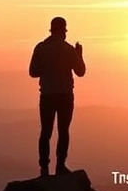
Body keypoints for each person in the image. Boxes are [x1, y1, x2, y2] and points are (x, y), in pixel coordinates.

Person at [29, 16, 86, 176]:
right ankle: (60, 166)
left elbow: (32, 72)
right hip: (65, 95)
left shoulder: (41, 47)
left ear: (51, 30)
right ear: (64, 31)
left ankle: (44, 168)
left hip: (47, 95)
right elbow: (80, 72)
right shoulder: (69, 49)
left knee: (45, 132)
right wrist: (79, 55)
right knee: (63, 131)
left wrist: (47, 68)